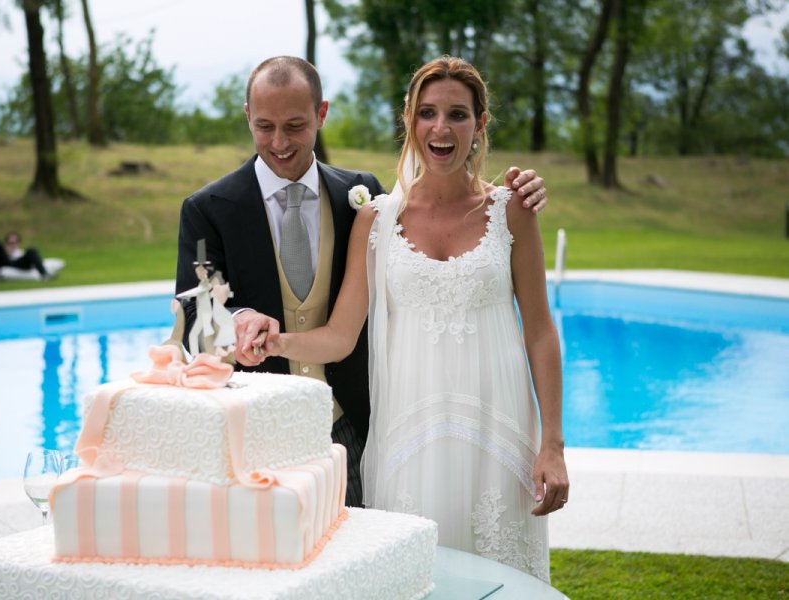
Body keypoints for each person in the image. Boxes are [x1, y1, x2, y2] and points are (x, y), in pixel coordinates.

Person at [175, 56, 550, 509]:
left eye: (295, 125)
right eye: (264, 126)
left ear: (321, 114)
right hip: (256, 421)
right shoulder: (204, 210)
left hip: (354, 421)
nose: (279, 142)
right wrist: (242, 319)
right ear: (247, 117)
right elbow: (198, 311)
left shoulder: (358, 195)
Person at [260, 56, 568, 582]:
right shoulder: (375, 219)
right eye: (428, 113)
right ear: (409, 120)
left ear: (480, 123)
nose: (441, 128)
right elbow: (338, 337)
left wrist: (553, 446)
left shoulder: (511, 210)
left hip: (499, 439)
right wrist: (273, 341)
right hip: (408, 444)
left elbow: (540, 332)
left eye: (457, 114)